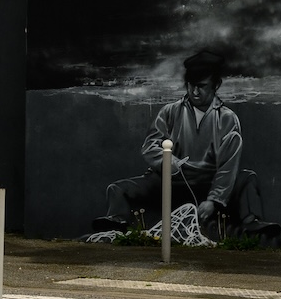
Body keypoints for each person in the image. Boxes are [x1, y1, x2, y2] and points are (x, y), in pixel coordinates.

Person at [96, 49, 268, 238]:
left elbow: (228, 166)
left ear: (216, 85)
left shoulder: (227, 119)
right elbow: (150, 145)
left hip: (207, 181)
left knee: (247, 178)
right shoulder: (170, 112)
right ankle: (116, 220)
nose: (195, 92)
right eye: (191, 85)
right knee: (118, 189)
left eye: (201, 86)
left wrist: (214, 199)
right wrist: (166, 161)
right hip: (169, 180)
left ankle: (253, 222)